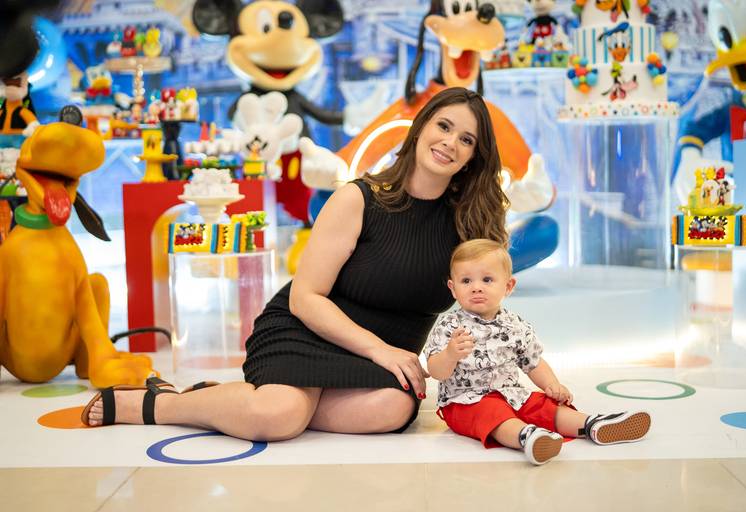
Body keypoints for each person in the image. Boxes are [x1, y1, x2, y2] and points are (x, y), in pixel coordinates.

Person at [82, 87, 511, 440]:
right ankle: (161, 403)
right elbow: (305, 298)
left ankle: (239, 401)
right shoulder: (359, 198)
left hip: (384, 360)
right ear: (421, 128)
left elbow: (485, 307)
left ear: (474, 156)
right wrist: (377, 349)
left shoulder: (469, 226)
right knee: (279, 417)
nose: (450, 143)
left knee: (393, 409)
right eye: (443, 126)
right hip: (308, 330)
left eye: (466, 140)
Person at [424, 239, 651, 465]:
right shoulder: (450, 326)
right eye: (466, 281)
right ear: (453, 288)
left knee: (541, 404)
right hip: (465, 403)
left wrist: (552, 384)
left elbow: (533, 362)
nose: (476, 287)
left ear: (508, 287)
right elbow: (436, 371)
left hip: (511, 394)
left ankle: (591, 424)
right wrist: (450, 355)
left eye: (487, 280)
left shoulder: (514, 325)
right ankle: (527, 436)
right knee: (493, 413)